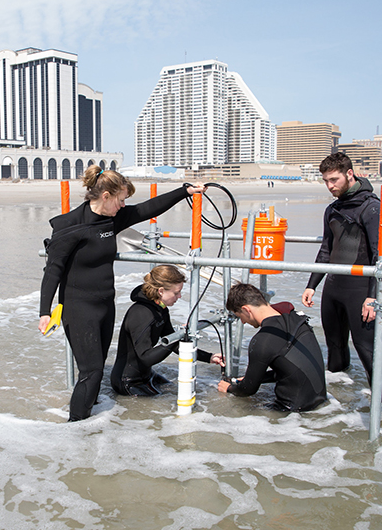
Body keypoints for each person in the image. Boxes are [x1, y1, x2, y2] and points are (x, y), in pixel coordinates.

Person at [39, 166, 207, 421]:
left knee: (97, 367)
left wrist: (184, 191)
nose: (123, 205)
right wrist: (44, 311)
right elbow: (53, 271)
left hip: (105, 305)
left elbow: (149, 208)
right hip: (78, 308)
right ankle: (75, 431)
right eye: (121, 199)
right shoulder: (69, 225)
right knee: (91, 371)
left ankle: (93, 423)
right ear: (105, 196)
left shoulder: (112, 219)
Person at [300, 152, 382, 402]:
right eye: (326, 181)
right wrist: (312, 286)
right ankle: (339, 398)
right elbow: (326, 250)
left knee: (366, 349)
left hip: (360, 290)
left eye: (334, 180)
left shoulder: (371, 207)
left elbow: (379, 257)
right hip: (333, 287)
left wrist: (372, 297)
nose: (330, 186)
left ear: (349, 174)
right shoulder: (332, 209)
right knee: (335, 346)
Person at [111, 265, 223, 396]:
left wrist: (209, 357)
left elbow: (173, 343)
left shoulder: (161, 309)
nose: (179, 296)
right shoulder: (141, 314)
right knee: (162, 405)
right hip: (128, 382)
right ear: (161, 291)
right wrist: (174, 340)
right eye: (176, 293)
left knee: (174, 392)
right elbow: (146, 358)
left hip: (148, 376)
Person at [217, 283, 327, 412]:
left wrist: (228, 388)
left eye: (240, 316)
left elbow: (248, 390)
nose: (243, 321)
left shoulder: (263, 340)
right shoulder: (296, 319)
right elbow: (291, 369)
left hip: (292, 412)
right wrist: (256, 378)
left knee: (231, 410)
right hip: (320, 403)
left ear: (247, 310)